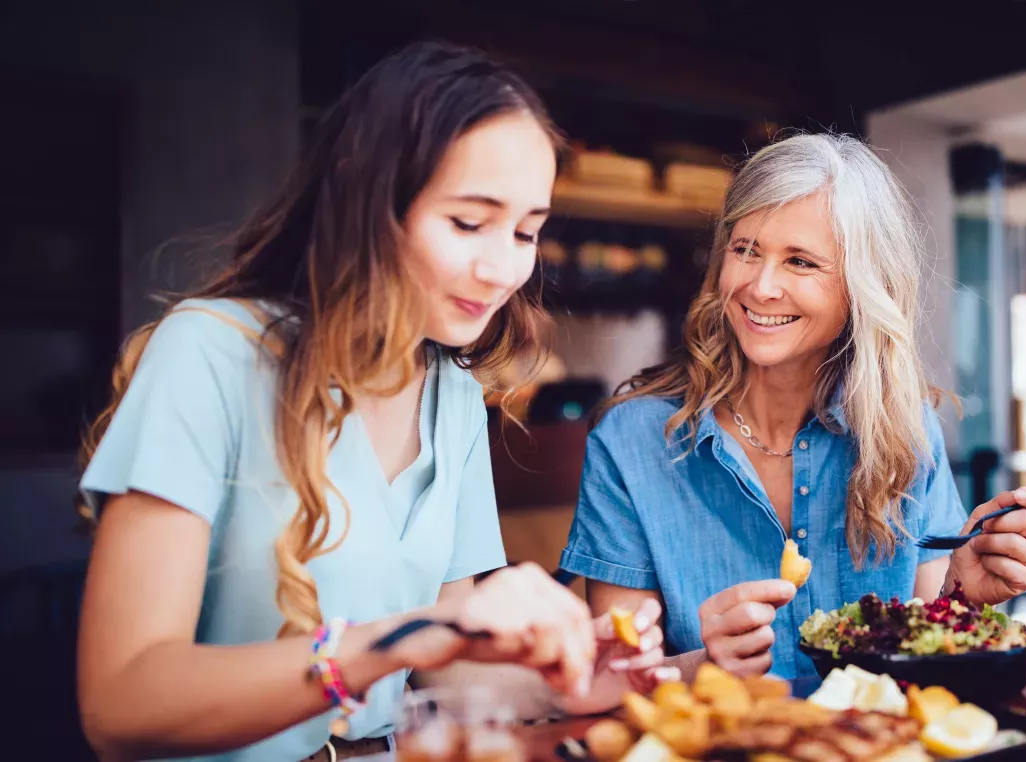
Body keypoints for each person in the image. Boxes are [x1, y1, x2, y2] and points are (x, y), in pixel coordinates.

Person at [76, 42, 674, 762]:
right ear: (366, 197)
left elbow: (442, 664)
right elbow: (122, 700)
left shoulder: (452, 395)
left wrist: (560, 675)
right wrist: (395, 639)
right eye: (467, 223)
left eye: (525, 232)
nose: (502, 268)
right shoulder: (209, 355)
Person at [558, 133, 1026, 681]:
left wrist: (962, 596)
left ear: (862, 287)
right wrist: (705, 665)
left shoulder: (906, 432)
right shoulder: (631, 442)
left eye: (800, 261)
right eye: (745, 249)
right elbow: (611, 679)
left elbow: (922, 654)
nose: (760, 286)